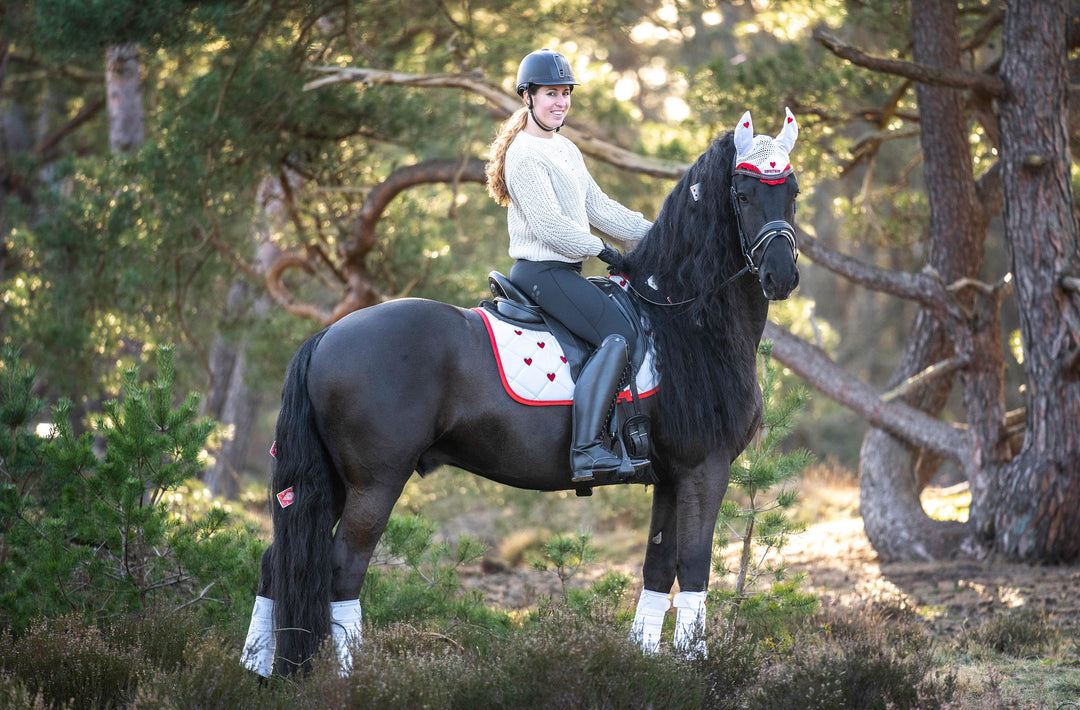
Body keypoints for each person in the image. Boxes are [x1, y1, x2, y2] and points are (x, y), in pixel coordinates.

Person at [485, 48, 653, 483]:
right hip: (542, 273)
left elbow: (600, 206)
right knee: (619, 335)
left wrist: (657, 233)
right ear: (528, 97)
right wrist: (606, 251)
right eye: (550, 94)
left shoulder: (566, 148)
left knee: (623, 327)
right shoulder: (523, 154)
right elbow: (551, 226)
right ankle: (587, 451)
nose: (560, 102)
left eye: (565, 93)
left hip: (563, 272)